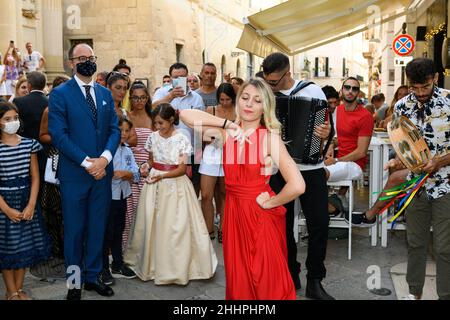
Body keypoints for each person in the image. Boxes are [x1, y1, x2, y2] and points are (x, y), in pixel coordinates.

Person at [180, 78, 305, 299]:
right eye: (245, 98)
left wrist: (270, 202)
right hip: (234, 215)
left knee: (267, 279)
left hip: (260, 215)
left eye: (257, 100)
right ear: (238, 102)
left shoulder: (269, 139)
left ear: (265, 106)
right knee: (240, 279)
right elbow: (185, 116)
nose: (249, 104)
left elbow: (297, 185)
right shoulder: (225, 134)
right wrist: (228, 124)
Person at [48, 43, 120, 300]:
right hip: (76, 175)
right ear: (71, 63)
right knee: (75, 231)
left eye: (91, 57)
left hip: (102, 173)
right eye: (82, 58)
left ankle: (92, 277)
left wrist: (104, 159)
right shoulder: (60, 94)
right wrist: (88, 163)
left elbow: (114, 129)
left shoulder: (104, 93)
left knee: (98, 228)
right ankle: (75, 283)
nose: (88, 61)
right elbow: (59, 135)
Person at [262, 52, 334, 299]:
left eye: (274, 81)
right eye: (267, 80)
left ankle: (315, 280)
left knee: (319, 224)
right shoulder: (264, 96)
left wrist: (325, 134)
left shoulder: (313, 92)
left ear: (287, 73)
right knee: (281, 224)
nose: (270, 86)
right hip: (277, 169)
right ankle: (289, 273)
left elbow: (328, 128)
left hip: (310, 168)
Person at [124, 103, 217, 284]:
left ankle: (176, 267)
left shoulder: (181, 139)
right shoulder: (152, 137)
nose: (158, 127)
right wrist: (146, 166)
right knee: (151, 223)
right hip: (154, 184)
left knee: (176, 225)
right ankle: (151, 263)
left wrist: (163, 176)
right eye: (155, 123)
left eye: (161, 123)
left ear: (172, 120)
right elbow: (151, 160)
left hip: (175, 185)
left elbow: (182, 169)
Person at [391, 58, 450, 300]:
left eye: (424, 87)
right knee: (415, 243)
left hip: (446, 184)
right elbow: (401, 144)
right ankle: (414, 293)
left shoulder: (449, 101)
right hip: (415, 186)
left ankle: (445, 295)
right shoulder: (402, 106)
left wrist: (439, 161)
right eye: (414, 88)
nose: (420, 93)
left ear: (435, 78)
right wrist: (398, 160)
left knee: (444, 248)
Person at [0, 102, 51, 300]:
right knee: (7, 249)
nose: (13, 122)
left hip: (26, 200)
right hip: (4, 202)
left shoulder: (29, 143)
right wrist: (6, 209)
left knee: (25, 247)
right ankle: (11, 292)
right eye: (7, 119)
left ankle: (19, 289)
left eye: (15, 118)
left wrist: (31, 204)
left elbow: (35, 177)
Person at [152, 63, 205, 195]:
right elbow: (151, 110)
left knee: (191, 190)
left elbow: (200, 126)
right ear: (170, 78)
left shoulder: (196, 98)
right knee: (168, 190)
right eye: (176, 77)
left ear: (187, 77)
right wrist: (171, 97)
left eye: (182, 77)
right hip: (166, 151)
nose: (179, 80)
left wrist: (198, 155)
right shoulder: (162, 93)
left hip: (190, 152)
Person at [324, 77, 374, 215]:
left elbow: (361, 152)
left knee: (317, 175)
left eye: (355, 88)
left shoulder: (365, 116)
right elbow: (337, 138)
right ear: (341, 90)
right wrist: (332, 144)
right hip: (337, 160)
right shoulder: (336, 111)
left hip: (354, 164)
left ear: (358, 93)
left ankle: (330, 207)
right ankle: (330, 206)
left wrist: (335, 160)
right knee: (306, 171)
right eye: (347, 87)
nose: (350, 91)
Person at [101, 117, 138, 286]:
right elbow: (110, 174)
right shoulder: (106, 151)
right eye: (120, 130)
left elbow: (135, 174)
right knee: (106, 233)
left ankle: (117, 263)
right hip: (108, 196)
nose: (123, 134)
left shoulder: (127, 150)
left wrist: (127, 174)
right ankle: (103, 268)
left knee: (118, 230)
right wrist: (123, 174)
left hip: (123, 195)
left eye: (126, 131)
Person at [36, 76, 70, 260]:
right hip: (56, 157)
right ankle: (58, 248)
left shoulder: (75, 109)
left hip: (74, 157)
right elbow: (42, 135)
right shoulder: (49, 111)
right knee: (54, 206)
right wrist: (61, 139)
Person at [199, 83, 236, 243]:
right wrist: (215, 137)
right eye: (221, 99)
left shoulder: (238, 111)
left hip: (231, 155)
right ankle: (209, 230)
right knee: (206, 195)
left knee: (225, 194)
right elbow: (202, 135)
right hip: (211, 154)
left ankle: (223, 228)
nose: (224, 102)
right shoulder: (211, 110)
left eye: (227, 99)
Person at [122, 81, 153, 251]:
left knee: (145, 212)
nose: (139, 101)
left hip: (148, 168)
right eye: (135, 98)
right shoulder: (127, 116)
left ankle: (144, 251)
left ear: (147, 98)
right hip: (128, 167)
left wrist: (148, 165)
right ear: (130, 99)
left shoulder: (153, 118)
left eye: (142, 97)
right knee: (128, 212)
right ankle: (127, 249)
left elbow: (156, 148)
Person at [13, 71, 49, 182]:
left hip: (24, 150)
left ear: (29, 85)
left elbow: (17, 127)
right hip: (46, 149)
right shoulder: (50, 102)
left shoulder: (18, 101)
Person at [106, 71, 137, 147]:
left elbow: (134, 140)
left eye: (125, 88)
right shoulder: (101, 110)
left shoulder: (125, 113)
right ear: (108, 87)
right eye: (118, 87)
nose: (122, 92)